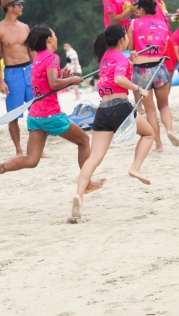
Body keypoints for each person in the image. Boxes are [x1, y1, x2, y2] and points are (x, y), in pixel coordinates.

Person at [0, 25, 97, 190]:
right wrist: (71, 80)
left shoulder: (37, 59)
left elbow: (48, 84)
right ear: (49, 39)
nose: (56, 38)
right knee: (84, 141)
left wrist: (62, 77)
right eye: (55, 35)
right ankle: (86, 184)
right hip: (50, 114)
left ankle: (1, 167)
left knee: (31, 159)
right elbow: (53, 83)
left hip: (35, 115)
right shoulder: (52, 57)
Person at [71, 24, 154, 219]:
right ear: (121, 40)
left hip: (103, 110)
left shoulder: (105, 59)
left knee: (93, 158)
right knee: (149, 133)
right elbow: (118, 79)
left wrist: (130, 62)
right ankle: (135, 167)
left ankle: (79, 195)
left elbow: (115, 73)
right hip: (120, 106)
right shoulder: (120, 58)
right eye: (126, 36)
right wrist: (138, 88)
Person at [128, 0, 179, 151]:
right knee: (164, 105)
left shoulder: (134, 23)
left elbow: (131, 46)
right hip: (159, 67)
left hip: (141, 69)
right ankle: (170, 130)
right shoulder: (163, 25)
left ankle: (159, 145)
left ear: (141, 9)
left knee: (150, 109)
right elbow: (164, 49)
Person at [0, 0, 42, 157]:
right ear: (10, 7)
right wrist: (0, 81)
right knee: (13, 114)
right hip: (12, 73)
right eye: (19, 4)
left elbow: (31, 51)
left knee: (37, 110)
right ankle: (19, 150)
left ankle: (38, 150)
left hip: (29, 70)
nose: (22, 7)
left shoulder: (25, 27)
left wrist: (37, 71)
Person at [139, 0, 177, 78]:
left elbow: (163, 18)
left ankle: (165, 96)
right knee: (161, 71)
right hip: (156, 40)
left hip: (167, 37)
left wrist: (173, 16)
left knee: (170, 71)